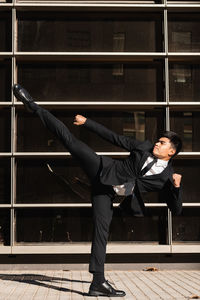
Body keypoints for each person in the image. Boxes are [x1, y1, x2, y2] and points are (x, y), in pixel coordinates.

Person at [13, 84, 182, 297]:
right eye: (158, 141)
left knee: (101, 233)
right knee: (70, 140)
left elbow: (175, 209)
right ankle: (33, 105)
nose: (157, 143)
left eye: (163, 143)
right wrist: (87, 123)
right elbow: (115, 138)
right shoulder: (144, 147)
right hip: (102, 168)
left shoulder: (167, 177)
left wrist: (176, 187)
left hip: (107, 193)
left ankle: (98, 283)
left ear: (172, 151)